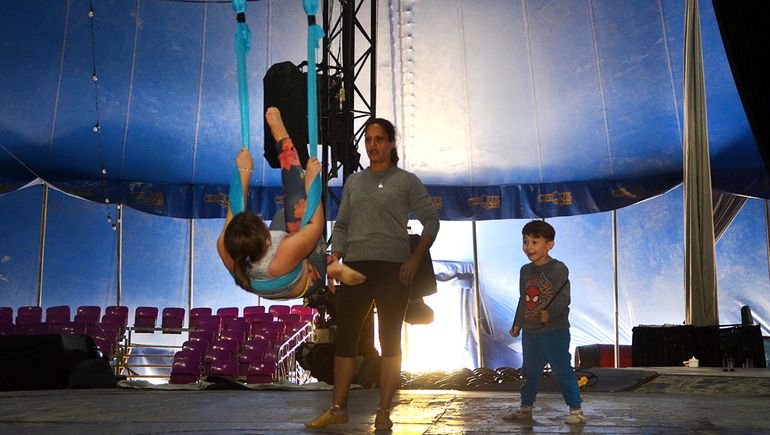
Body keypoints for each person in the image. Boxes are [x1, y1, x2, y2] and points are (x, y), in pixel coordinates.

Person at [304, 117, 440, 430]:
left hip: (394, 269)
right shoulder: (354, 181)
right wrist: (334, 260)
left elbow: (431, 222)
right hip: (355, 266)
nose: (372, 146)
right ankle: (338, 408)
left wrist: (415, 260)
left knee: (389, 339)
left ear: (392, 143)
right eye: (368, 139)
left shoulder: (406, 181)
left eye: (379, 139)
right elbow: (342, 224)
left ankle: (383, 410)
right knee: (346, 339)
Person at [217, 107, 364, 300]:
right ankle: (330, 267)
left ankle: (330, 264)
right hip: (307, 280)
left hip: (266, 275)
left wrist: (244, 170)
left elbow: (235, 207)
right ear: (266, 241)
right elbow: (315, 224)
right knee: (298, 205)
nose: (266, 228)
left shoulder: (225, 245)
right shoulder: (282, 256)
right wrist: (312, 183)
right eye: (264, 229)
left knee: (281, 216)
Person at [504, 220, 586, 425]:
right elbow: (523, 298)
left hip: (554, 331)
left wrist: (550, 313)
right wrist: (517, 323)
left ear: (549, 245)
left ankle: (576, 410)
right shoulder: (525, 270)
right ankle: (526, 408)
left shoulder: (559, 268)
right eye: (525, 241)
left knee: (561, 369)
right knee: (529, 371)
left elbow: (563, 298)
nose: (528, 247)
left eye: (534, 242)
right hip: (530, 331)